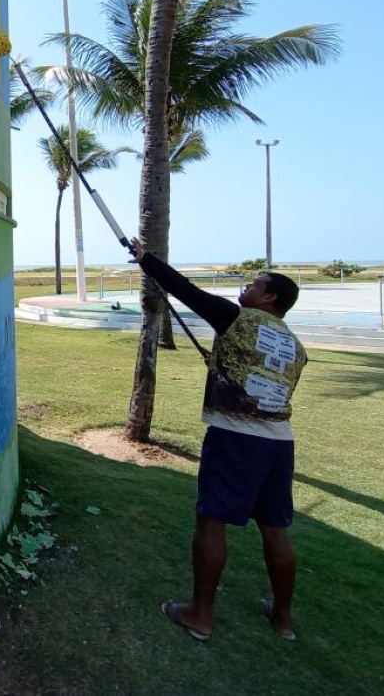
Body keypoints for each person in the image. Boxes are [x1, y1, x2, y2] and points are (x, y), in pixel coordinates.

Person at [131, 238, 307, 642]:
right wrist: (222, 366)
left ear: (270, 297)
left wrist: (146, 259)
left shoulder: (235, 317)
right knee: (275, 529)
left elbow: (186, 291)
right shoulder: (296, 346)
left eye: (255, 284)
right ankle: (283, 620)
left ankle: (200, 616)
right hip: (280, 443)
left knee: (211, 522)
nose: (246, 287)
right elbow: (264, 383)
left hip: (235, 439)